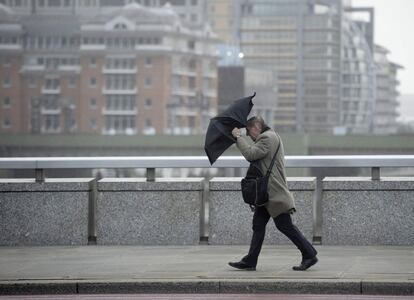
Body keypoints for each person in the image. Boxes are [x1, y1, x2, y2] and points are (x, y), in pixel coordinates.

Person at [229, 116, 318, 271]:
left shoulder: (267, 138)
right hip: (266, 194)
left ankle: (309, 254)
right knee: (258, 225)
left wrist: (238, 137)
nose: (249, 136)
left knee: (285, 226)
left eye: (249, 132)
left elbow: (250, 154)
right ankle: (250, 260)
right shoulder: (270, 136)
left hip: (273, 193)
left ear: (257, 126)